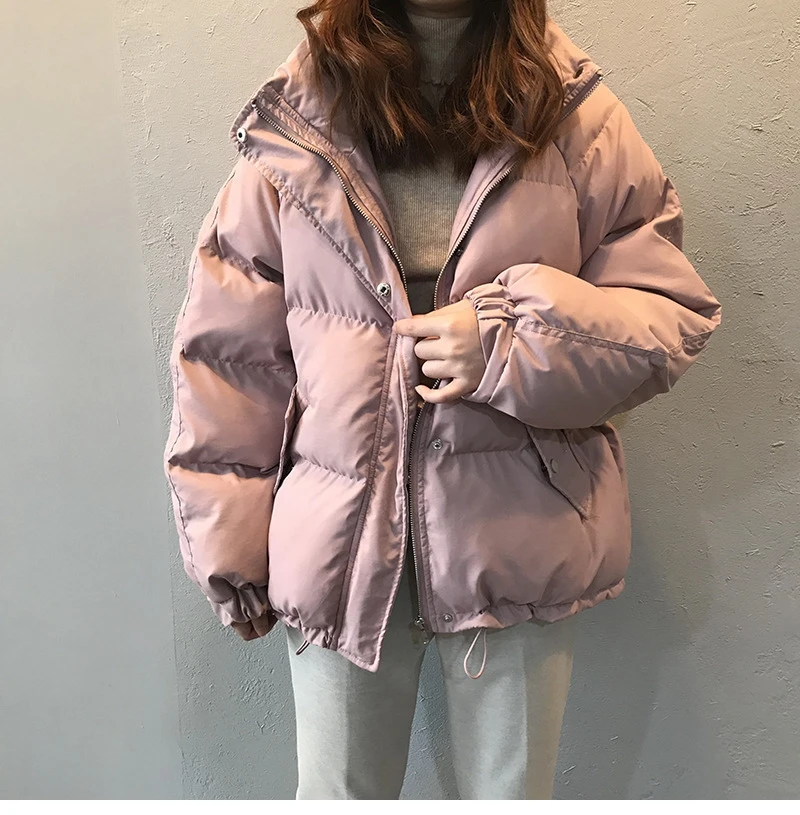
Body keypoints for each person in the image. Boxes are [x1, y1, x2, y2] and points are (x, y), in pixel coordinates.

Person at [163, 0, 722, 800]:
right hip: (339, 544)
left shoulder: (572, 111)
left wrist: (508, 338)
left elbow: (667, 314)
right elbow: (231, 354)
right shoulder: (304, 113)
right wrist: (231, 544)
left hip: (517, 534)